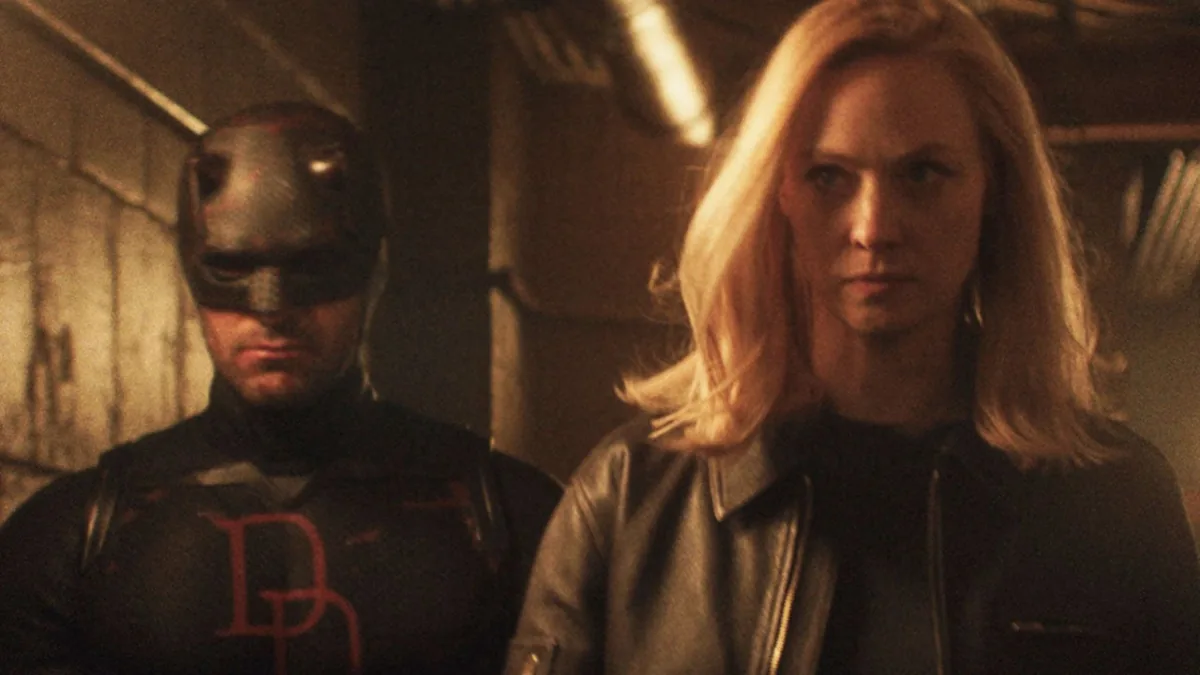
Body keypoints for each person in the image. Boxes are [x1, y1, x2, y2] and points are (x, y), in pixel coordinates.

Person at [505, 1, 1200, 673]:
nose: (874, 227)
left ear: (993, 190)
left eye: (923, 173)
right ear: (777, 195)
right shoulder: (629, 499)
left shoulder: (1116, 503)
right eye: (829, 176)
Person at [0, 101, 562, 675]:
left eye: (312, 265)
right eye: (232, 267)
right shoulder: (65, 539)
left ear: (373, 275)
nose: (271, 308)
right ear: (192, 273)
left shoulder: (514, 520)